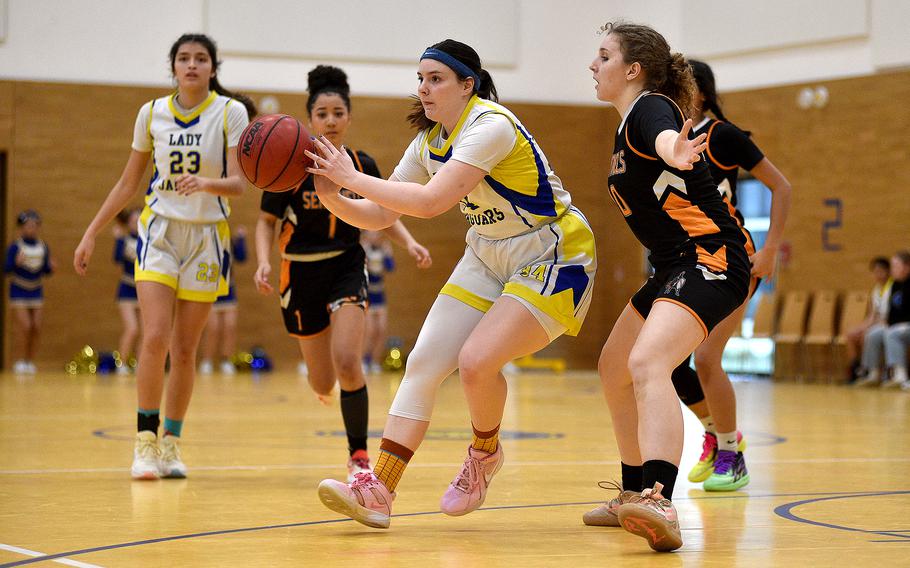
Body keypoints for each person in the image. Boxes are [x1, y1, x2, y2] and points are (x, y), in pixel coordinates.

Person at [306, 40, 597, 530]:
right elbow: (381, 214)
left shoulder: (491, 126)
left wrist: (352, 175)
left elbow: (430, 202)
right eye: (420, 78)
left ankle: (484, 455)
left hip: (551, 255)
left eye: (436, 78)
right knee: (422, 364)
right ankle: (379, 491)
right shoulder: (427, 143)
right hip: (486, 252)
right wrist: (331, 192)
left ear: (468, 84)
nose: (424, 88)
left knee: (476, 363)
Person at [584, 23, 750, 552]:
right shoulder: (626, 123)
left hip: (711, 258)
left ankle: (658, 497)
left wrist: (671, 149)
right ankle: (633, 493)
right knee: (615, 365)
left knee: (648, 363)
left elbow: (663, 133)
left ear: (632, 70)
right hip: (673, 265)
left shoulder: (650, 110)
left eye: (604, 56)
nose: (593, 65)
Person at [74, 33, 254, 480]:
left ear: (213, 68)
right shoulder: (151, 113)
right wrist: (91, 232)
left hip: (208, 237)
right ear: (173, 67)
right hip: (158, 233)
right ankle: (145, 443)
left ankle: (172, 443)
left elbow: (239, 184)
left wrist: (206, 184)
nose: (192, 65)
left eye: (201, 58)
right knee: (154, 336)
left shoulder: (231, 112)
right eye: (184, 58)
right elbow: (127, 183)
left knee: (186, 349)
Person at [253, 65, 432, 483]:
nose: (330, 120)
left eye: (338, 112)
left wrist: (409, 242)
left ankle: (359, 457)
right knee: (323, 379)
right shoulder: (288, 166)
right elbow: (264, 223)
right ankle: (325, 386)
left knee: (350, 362)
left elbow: (385, 210)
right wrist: (264, 260)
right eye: (322, 113)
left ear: (348, 117)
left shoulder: (360, 164)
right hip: (299, 275)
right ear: (309, 119)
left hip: (346, 266)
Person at [659, 59, 792, 492]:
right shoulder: (667, 140)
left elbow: (782, 186)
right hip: (692, 260)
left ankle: (732, 455)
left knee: (708, 358)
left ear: (697, 92)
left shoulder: (722, 135)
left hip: (734, 258)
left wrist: (771, 248)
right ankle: (716, 438)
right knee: (674, 362)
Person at [5, 209, 54, 374]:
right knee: (24, 326)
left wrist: (51, 267)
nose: (32, 228)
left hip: (36, 289)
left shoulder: (43, 246)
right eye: (28, 225)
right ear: (21, 227)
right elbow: (6, 269)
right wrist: (16, 263)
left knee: (36, 327)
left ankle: (30, 361)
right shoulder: (15, 247)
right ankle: (19, 360)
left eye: (35, 225)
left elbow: (45, 270)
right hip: (19, 289)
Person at [855, 251, 910, 389]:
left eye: (896, 266)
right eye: (893, 266)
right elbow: (891, 312)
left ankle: (900, 375)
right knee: (873, 334)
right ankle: (873, 374)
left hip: (906, 325)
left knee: (892, 333)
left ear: (907, 267)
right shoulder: (895, 286)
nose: (893, 270)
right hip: (897, 325)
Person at [199, 225, 248, 376]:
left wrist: (241, 239)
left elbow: (241, 257)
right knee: (213, 328)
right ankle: (206, 361)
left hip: (228, 290)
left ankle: (226, 360)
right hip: (210, 289)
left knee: (230, 326)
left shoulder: (229, 241)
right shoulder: (202, 243)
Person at [846, 257, 892, 382]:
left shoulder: (893, 287)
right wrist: (861, 326)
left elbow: (890, 315)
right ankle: (855, 368)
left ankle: (870, 370)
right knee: (851, 334)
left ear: (888, 271)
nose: (877, 274)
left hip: (888, 322)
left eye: (880, 271)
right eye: (875, 271)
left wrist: (867, 327)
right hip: (877, 322)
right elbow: (872, 314)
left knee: (865, 335)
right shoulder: (876, 290)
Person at [112, 207, 142, 375]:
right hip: (127, 288)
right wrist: (118, 240)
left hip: (144, 290)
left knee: (146, 331)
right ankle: (121, 363)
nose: (137, 225)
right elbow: (116, 259)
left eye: (139, 221)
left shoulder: (150, 241)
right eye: (133, 222)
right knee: (132, 328)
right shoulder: (124, 240)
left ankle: (140, 363)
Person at [361, 229, 395, 374]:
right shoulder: (363, 249)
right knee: (369, 331)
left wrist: (388, 254)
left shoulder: (383, 249)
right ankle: (364, 360)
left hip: (379, 294)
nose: (374, 236)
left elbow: (390, 268)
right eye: (371, 233)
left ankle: (374, 361)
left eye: (376, 233)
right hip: (367, 295)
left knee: (381, 329)